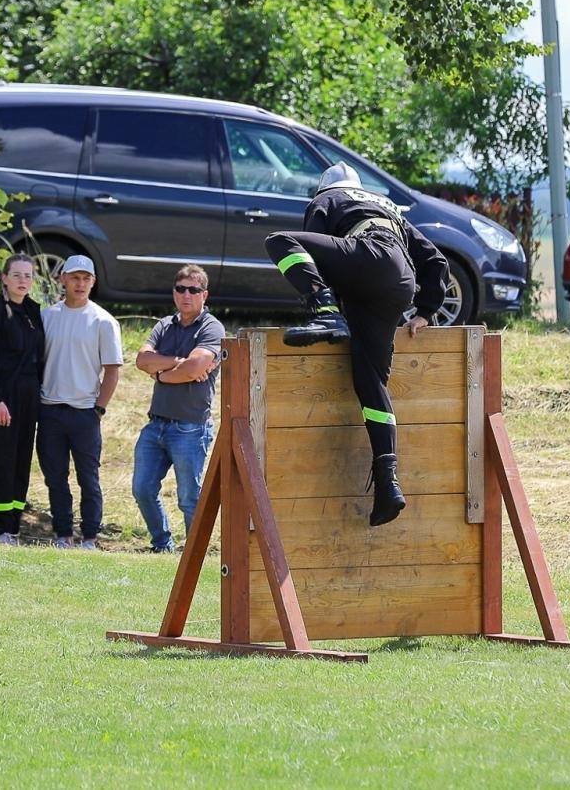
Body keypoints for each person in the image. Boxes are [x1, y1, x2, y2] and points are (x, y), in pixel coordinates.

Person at [263, 162, 448, 527]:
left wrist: (322, 304)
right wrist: (426, 311)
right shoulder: (389, 206)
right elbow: (435, 260)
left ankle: (327, 313)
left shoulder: (327, 199)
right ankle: (387, 481)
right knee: (371, 382)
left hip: (365, 258)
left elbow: (314, 253)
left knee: (281, 242)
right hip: (398, 284)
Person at [132, 264, 225, 553]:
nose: (186, 295)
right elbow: (141, 360)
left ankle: (194, 553)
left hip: (190, 427)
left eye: (193, 290)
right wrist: (178, 364)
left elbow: (196, 367)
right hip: (156, 423)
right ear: (174, 292)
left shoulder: (212, 327)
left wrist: (161, 372)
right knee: (143, 489)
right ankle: (162, 545)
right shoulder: (164, 325)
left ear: (204, 294)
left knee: (189, 497)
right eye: (181, 289)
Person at [38, 254, 123, 550]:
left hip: (85, 413)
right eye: (75, 277)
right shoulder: (47, 317)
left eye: (86, 278)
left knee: (89, 478)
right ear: (62, 280)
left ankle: (89, 536)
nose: (80, 283)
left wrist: (98, 409)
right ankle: (63, 534)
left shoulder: (103, 321)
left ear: (93, 283)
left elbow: (112, 371)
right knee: (55, 477)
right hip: (50, 409)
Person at [0, 254, 45, 546]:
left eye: (28, 276)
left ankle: (12, 529)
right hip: (1, 399)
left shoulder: (33, 312)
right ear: (4, 277)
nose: (22, 281)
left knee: (20, 462)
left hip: (29, 399)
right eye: (16, 275)